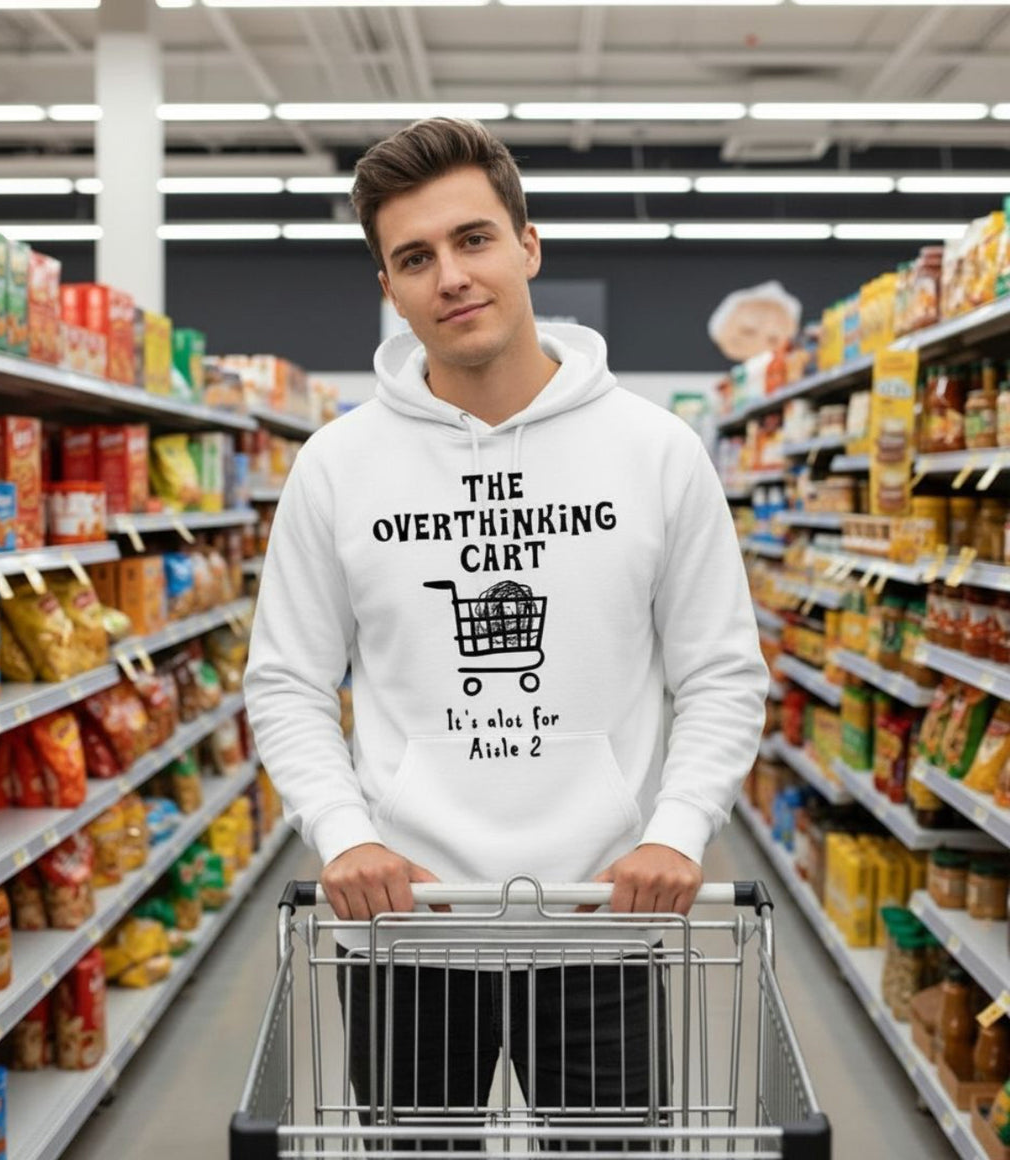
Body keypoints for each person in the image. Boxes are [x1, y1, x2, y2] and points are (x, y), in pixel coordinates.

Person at [244, 117, 768, 1140]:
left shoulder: (655, 451)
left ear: (528, 244)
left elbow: (719, 672)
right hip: (406, 927)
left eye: (473, 239)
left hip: (601, 922)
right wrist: (344, 833)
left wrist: (678, 824)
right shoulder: (336, 465)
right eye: (414, 257)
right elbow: (289, 682)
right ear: (387, 288)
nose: (450, 275)